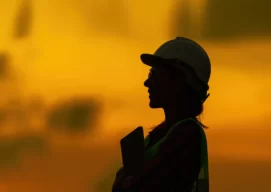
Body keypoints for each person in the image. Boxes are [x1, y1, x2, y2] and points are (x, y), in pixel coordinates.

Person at [112, 37, 211, 192]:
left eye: (154, 74)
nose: (147, 82)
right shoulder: (156, 137)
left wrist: (126, 179)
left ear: (177, 80)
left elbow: (143, 186)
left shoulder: (187, 135)